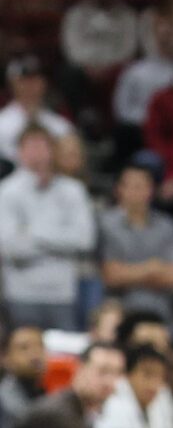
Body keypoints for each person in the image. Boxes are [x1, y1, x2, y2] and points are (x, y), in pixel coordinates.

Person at [0, 127, 98, 332]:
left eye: (42, 146)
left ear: (52, 150)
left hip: (62, 293)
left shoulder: (73, 190)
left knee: (64, 356)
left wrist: (29, 232)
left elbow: (83, 239)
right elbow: (10, 247)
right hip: (20, 293)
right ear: (20, 152)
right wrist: (60, 237)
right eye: (31, 146)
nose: (37, 153)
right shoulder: (6, 191)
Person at [97, 163, 173, 322]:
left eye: (139, 186)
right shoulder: (106, 224)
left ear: (150, 190)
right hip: (118, 302)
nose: (134, 192)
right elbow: (111, 275)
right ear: (119, 190)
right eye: (129, 186)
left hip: (161, 303)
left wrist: (129, 272)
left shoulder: (167, 226)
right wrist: (152, 267)